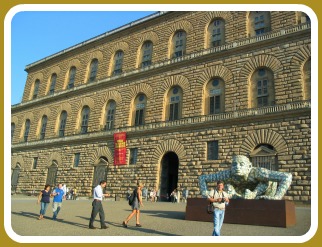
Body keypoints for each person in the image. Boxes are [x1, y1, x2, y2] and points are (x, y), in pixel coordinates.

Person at [199, 155, 293, 200]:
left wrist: (277, 197)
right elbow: (202, 178)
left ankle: (253, 195)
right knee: (228, 185)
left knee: (266, 181)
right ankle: (235, 196)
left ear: (249, 166)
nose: (237, 167)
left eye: (241, 164)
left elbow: (287, 176)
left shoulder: (258, 172)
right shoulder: (228, 173)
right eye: (234, 165)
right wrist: (204, 192)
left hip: (263, 194)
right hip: (241, 194)